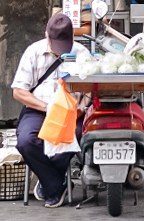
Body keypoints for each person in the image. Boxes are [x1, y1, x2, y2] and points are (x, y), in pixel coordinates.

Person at [12, 13, 89, 207]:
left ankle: (48, 182)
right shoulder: (33, 52)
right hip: (39, 109)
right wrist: (49, 108)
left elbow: (90, 91)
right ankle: (56, 183)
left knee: (75, 137)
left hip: (72, 112)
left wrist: (82, 107)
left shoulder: (82, 54)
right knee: (26, 140)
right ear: (47, 36)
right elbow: (19, 92)